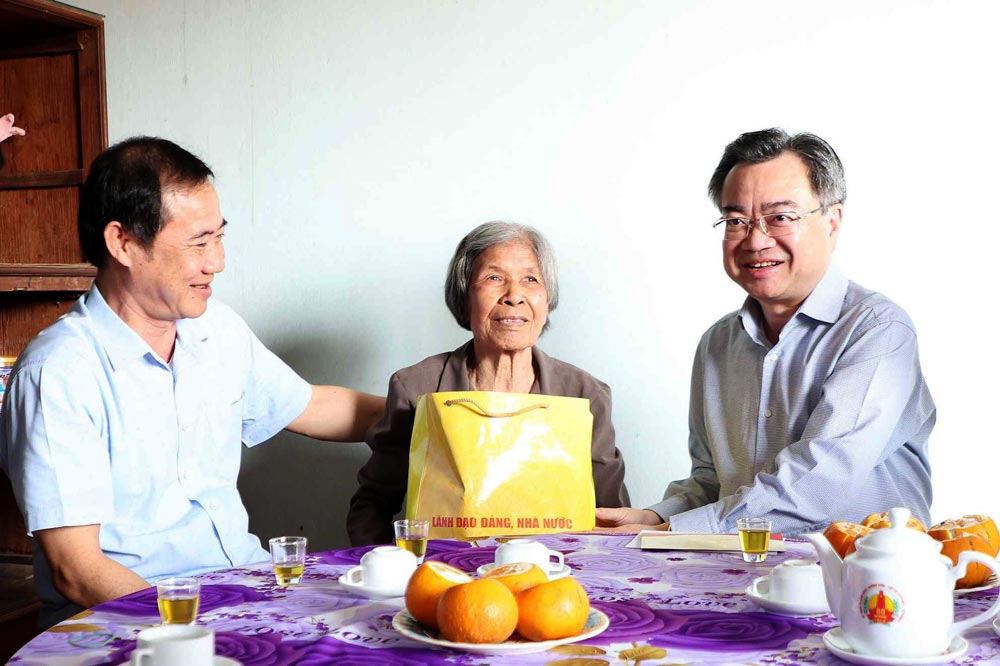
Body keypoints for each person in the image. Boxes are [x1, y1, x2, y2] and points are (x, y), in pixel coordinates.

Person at [0, 136, 385, 628]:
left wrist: (434, 413)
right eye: (198, 243)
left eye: (219, 237)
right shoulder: (58, 372)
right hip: (126, 623)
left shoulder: (214, 329)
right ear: (123, 243)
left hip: (243, 594)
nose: (217, 261)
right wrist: (197, 630)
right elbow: (77, 570)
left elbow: (313, 407)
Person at [597, 128, 934, 536]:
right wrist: (655, 516)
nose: (756, 240)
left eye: (780, 217)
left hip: (860, 588)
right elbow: (712, 481)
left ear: (832, 221)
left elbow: (816, 484)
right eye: (736, 220)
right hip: (735, 581)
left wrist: (673, 532)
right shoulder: (718, 345)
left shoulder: (878, 332)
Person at [347, 221, 630, 545]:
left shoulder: (584, 396)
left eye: (530, 279)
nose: (514, 296)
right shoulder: (416, 388)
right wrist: (391, 571)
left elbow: (613, 516)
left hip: (554, 581)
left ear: (546, 298)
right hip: (448, 580)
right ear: (465, 296)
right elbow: (372, 505)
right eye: (494, 278)